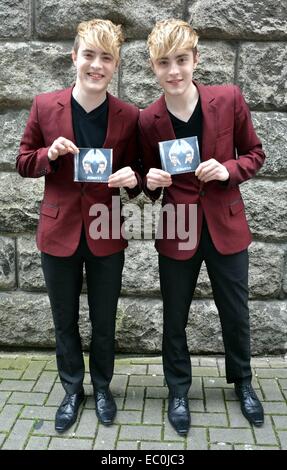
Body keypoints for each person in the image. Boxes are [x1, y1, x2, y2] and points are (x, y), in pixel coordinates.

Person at [138, 19, 265, 436]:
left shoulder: (228, 99)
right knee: (175, 316)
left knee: (236, 313)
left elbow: (254, 154)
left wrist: (227, 169)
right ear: (154, 67)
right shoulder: (148, 119)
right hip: (178, 226)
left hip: (226, 224)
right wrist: (151, 182)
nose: (173, 71)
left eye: (181, 61)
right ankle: (178, 390)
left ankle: (243, 384)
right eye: (163, 63)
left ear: (196, 60)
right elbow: (145, 178)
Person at [17, 19, 141, 433]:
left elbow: (141, 171)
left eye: (106, 57)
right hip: (59, 230)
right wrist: (48, 154)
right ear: (75, 57)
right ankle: (73, 389)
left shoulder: (128, 115)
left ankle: (103, 386)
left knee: (104, 319)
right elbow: (22, 162)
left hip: (107, 229)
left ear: (116, 65)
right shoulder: (43, 105)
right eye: (89, 54)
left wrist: (132, 178)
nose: (96, 64)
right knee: (64, 318)